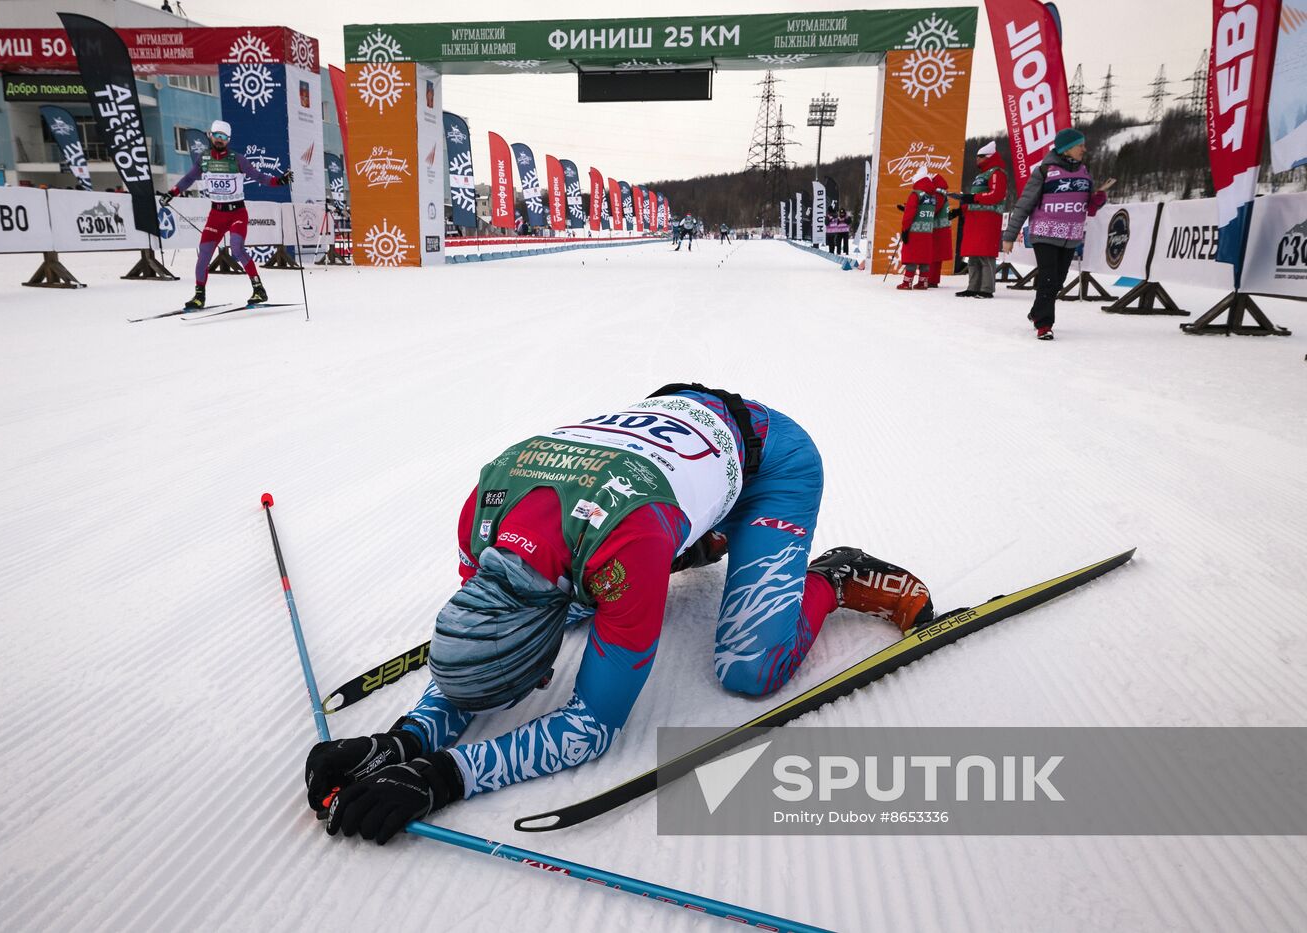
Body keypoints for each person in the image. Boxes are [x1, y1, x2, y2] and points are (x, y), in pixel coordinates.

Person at [304, 385, 935, 843]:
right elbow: (487, 650)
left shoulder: (616, 548)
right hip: (652, 462)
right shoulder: (482, 519)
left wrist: (446, 775)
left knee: (749, 669)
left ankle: (836, 573)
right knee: (588, 592)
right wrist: (403, 739)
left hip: (770, 457)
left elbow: (590, 727)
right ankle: (701, 539)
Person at [160, 119, 292, 309]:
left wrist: (279, 181)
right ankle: (199, 296)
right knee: (204, 253)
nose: (219, 140)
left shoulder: (237, 159)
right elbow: (189, 178)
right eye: (217, 135)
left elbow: (259, 177)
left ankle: (258, 289)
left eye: (223, 137)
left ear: (228, 139)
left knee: (237, 249)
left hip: (237, 212)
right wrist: (171, 193)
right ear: (210, 136)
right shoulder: (204, 159)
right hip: (216, 213)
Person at [1002, 128, 1116, 339]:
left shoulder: (1084, 171)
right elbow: (1025, 203)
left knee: (1058, 280)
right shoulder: (1044, 171)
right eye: (1080, 145)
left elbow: (1088, 207)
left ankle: (1037, 312)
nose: (1084, 149)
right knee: (1048, 278)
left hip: (1070, 236)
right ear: (1067, 148)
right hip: (1044, 233)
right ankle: (1044, 324)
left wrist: (1098, 198)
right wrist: (1009, 236)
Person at [953, 141, 1008, 298]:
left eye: (980, 157)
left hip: (988, 219)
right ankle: (973, 286)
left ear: (989, 157)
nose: (977, 160)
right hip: (975, 218)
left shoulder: (997, 173)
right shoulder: (981, 175)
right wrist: (961, 208)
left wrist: (971, 197)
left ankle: (986, 288)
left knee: (985, 254)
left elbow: (995, 195)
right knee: (973, 254)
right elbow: (974, 199)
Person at [896, 174, 937, 289]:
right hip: (927, 231)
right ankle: (923, 282)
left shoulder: (916, 194)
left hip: (914, 231)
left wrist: (905, 229)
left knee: (911, 257)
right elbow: (922, 211)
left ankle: (907, 282)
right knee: (924, 257)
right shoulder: (932, 197)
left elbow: (909, 214)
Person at [928, 177, 953, 288]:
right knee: (936, 256)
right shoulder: (942, 193)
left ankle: (931, 279)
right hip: (942, 228)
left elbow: (933, 208)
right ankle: (932, 279)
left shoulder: (938, 194)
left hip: (937, 229)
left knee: (934, 255)